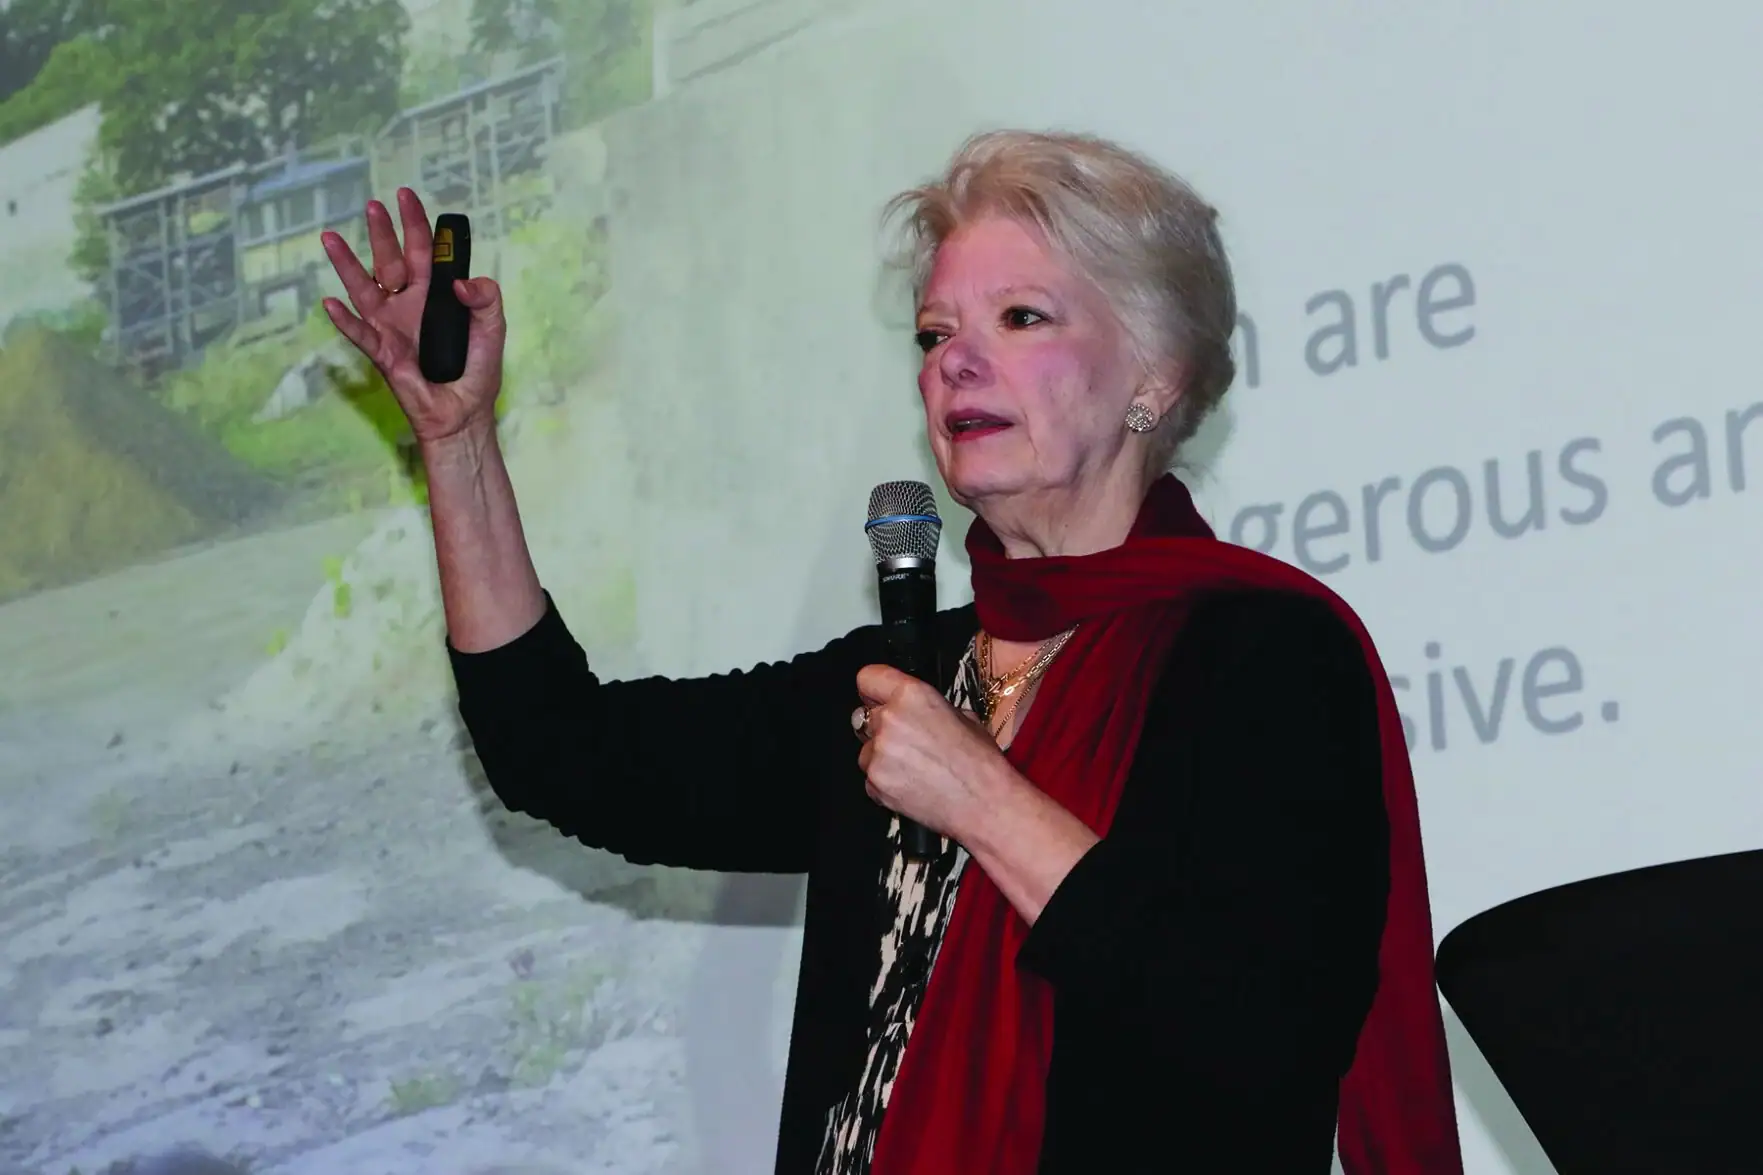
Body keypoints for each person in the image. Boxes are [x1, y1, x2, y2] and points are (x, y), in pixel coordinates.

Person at [319, 129, 1463, 1174]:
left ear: (1153, 375)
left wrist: (983, 799)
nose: (953, 362)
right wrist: (456, 443)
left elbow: (1260, 1040)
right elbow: (558, 749)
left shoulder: (1263, 654)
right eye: (933, 333)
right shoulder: (903, 677)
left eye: (1019, 318)